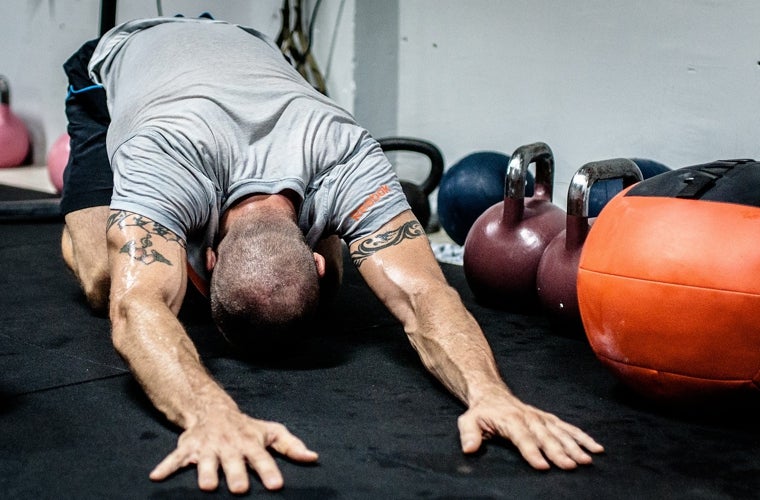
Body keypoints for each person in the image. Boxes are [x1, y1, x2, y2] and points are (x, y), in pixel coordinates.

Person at [59, 16, 603, 495]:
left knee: (169, 282)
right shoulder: (163, 153)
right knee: (107, 280)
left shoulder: (345, 152)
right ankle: (105, 226)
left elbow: (424, 295)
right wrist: (209, 414)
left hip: (243, 48)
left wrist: (492, 396)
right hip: (123, 58)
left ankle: (204, 247)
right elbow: (134, 308)